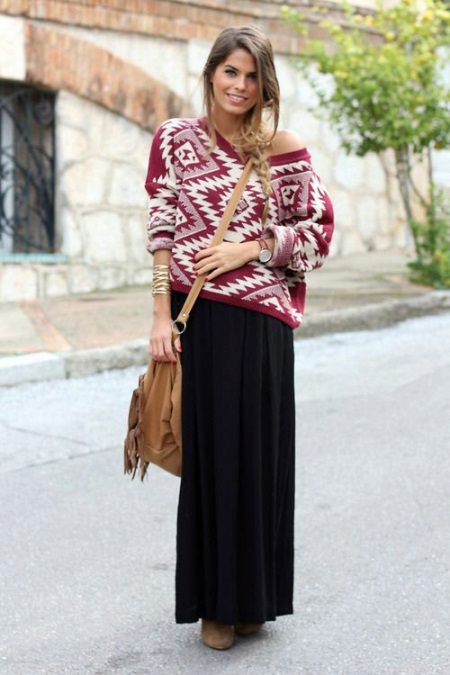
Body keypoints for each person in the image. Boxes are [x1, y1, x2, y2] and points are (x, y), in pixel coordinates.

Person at [145, 25, 334, 650]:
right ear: (211, 74)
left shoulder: (283, 148)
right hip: (198, 321)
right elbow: (161, 230)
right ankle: (214, 609)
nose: (240, 85)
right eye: (230, 71)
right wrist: (158, 316)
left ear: (265, 85)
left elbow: (316, 237)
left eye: (252, 76)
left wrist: (249, 248)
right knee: (211, 461)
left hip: (261, 326)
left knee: (258, 460)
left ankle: (255, 600)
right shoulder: (175, 139)